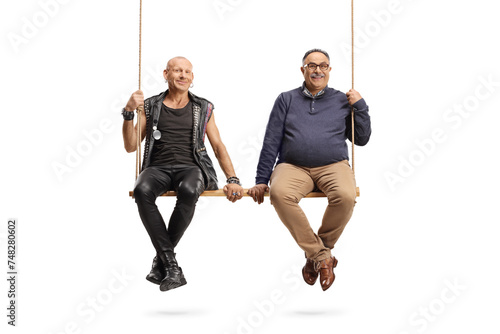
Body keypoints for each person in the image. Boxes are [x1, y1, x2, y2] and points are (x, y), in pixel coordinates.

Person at [248, 49, 371, 291]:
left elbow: (362, 139)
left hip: (333, 164)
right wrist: (262, 179)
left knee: (346, 196)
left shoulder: (342, 100)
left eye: (323, 66)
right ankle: (323, 257)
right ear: (303, 69)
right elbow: (271, 140)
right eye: (311, 65)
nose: (317, 70)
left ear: (329, 70)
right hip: (293, 166)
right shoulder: (286, 99)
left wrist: (361, 107)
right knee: (279, 194)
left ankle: (314, 255)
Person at [122, 56, 243, 292]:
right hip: (156, 167)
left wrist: (233, 179)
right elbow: (130, 146)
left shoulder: (203, 107)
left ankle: (164, 263)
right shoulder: (150, 105)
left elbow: (218, 146)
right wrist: (128, 112)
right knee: (141, 190)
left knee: (189, 190)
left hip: (192, 167)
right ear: (166, 74)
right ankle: (171, 265)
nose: (183, 75)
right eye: (177, 70)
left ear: (193, 77)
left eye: (188, 71)